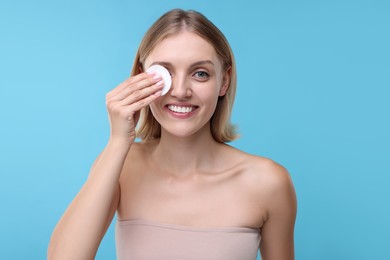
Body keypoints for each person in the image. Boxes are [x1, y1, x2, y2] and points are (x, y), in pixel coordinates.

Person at [48, 9, 297, 260]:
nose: (180, 91)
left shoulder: (268, 182)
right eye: (164, 73)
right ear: (141, 77)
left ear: (224, 81)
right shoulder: (122, 166)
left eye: (200, 73)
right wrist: (117, 142)